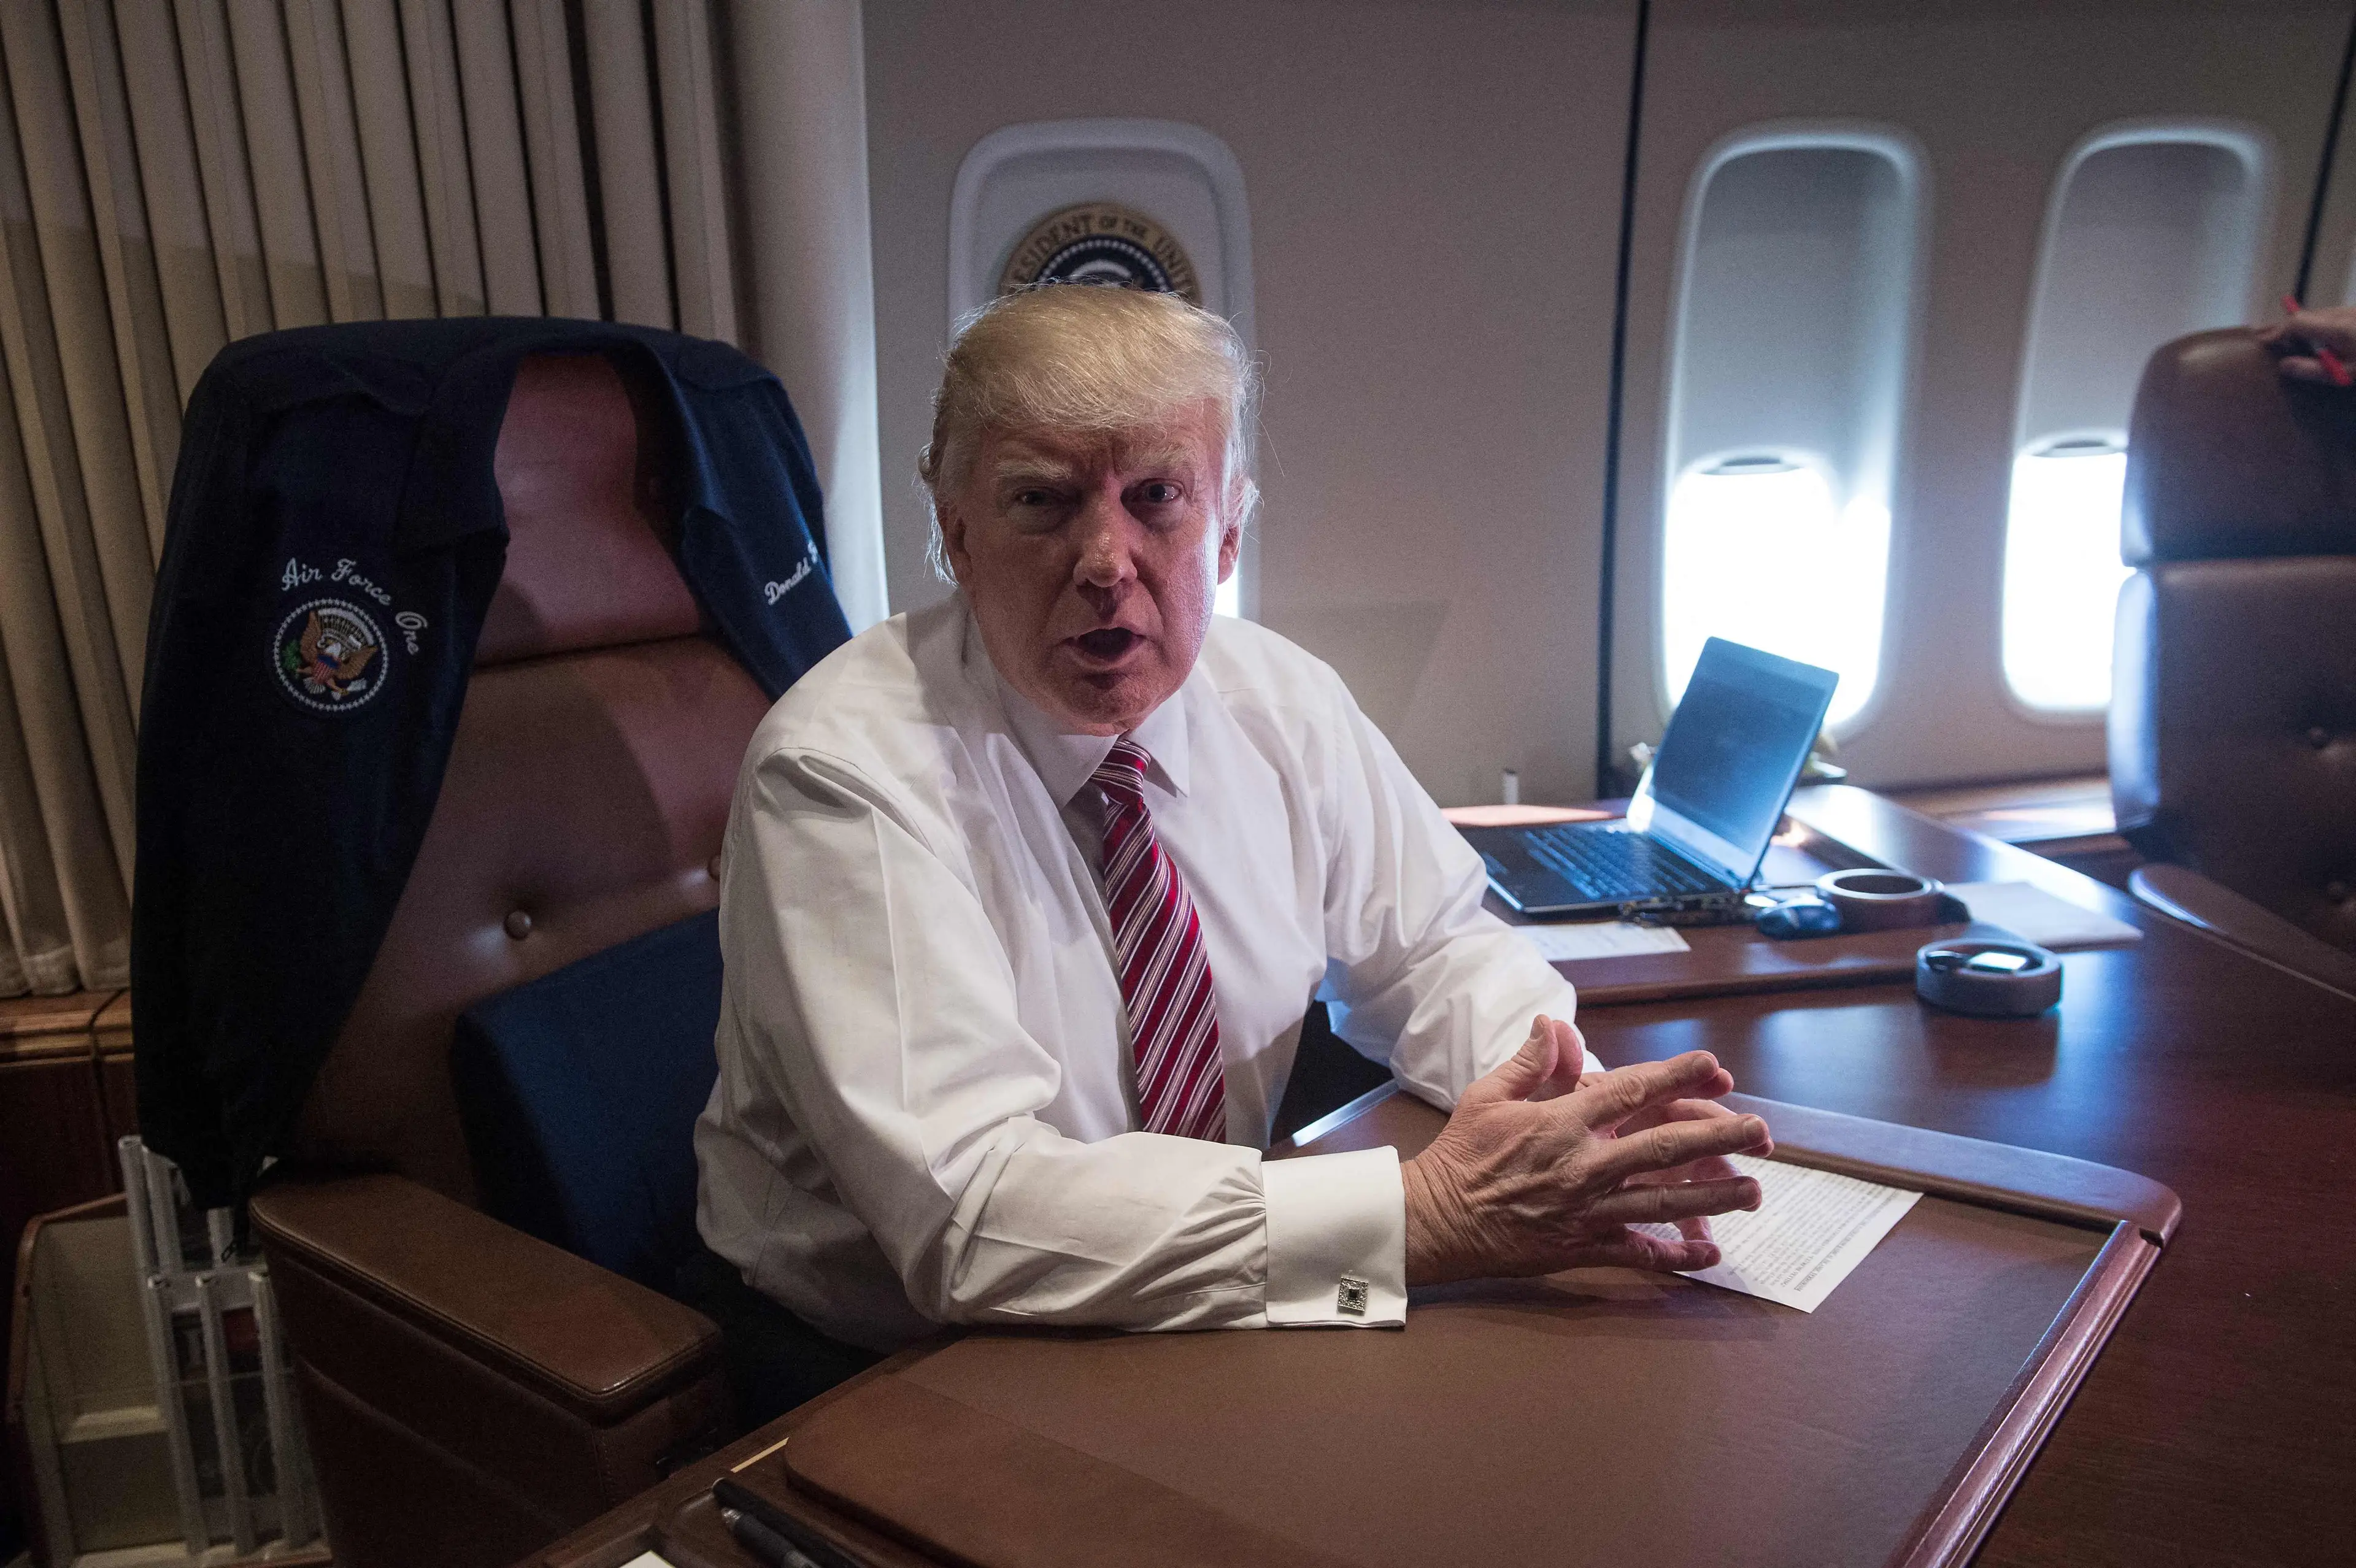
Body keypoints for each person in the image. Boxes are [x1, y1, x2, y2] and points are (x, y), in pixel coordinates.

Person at [690, 283, 1771, 1419]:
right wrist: (1429, 1217)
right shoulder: (842, 775)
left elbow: (1438, 948)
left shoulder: (1282, 701)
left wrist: (1575, 1118)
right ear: (955, 533)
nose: (1106, 560)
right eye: (1040, 502)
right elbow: (973, 1214)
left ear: (1231, 527)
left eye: (1156, 497)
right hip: (891, 1363)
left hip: (1201, 1288)